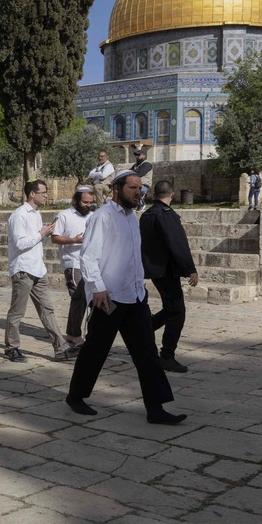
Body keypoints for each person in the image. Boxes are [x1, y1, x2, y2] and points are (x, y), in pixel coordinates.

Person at [65, 171, 187, 425]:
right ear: (117, 189)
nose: (138, 192)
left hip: (134, 297)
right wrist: (97, 288)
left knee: (147, 352)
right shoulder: (103, 217)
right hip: (108, 298)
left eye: (140, 188)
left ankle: (156, 408)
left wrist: (139, 282)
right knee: (95, 350)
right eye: (133, 188)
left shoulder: (133, 219)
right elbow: (88, 257)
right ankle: (76, 396)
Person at [140, 180, 199, 373]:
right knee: (177, 311)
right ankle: (166, 355)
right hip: (166, 270)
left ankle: (142, 332)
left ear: (155, 194)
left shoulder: (147, 214)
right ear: (172, 195)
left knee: (171, 309)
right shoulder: (166, 215)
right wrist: (190, 268)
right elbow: (177, 244)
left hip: (154, 269)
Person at [4, 179, 64, 362]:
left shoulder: (36, 215)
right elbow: (20, 243)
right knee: (17, 311)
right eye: (43, 192)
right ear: (32, 194)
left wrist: (45, 234)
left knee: (48, 309)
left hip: (38, 268)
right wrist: (41, 234)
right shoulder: (19, 215)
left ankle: (61, 347)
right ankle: (12, 347)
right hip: (23, 269)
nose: (46, 195)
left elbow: (36, 241)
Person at [51, 186, 95, 361]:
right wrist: (73, 240)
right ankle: (74, 335)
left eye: (90, 203)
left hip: (90, 263)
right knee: (79, 297)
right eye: (85, 202)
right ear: (76, 200)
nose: (88, 205)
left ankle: (84, 332)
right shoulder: (64, 216)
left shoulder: (93, 216)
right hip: (73, 263)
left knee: (92, 298)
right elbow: (54, 237)